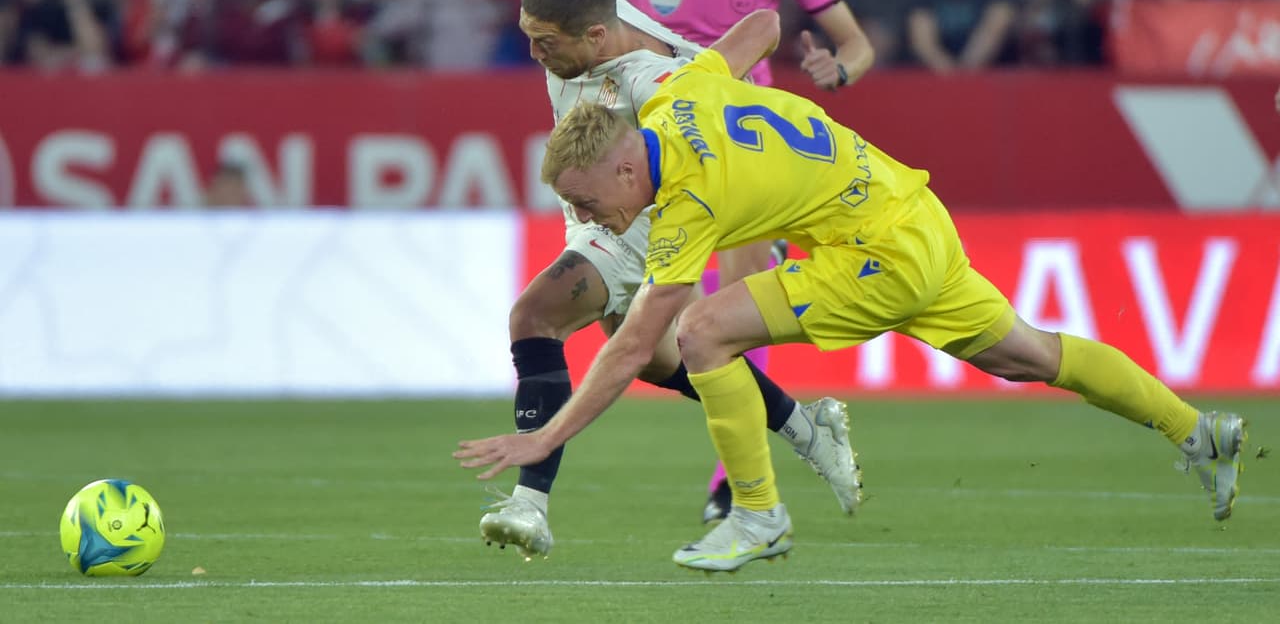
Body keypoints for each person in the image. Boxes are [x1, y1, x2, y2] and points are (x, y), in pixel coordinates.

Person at [455, 30, 1247, 573]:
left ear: (626, 171)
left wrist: (546, 438)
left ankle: (758, 516)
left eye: (588, 204)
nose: (589, 220)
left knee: (701, 332)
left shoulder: (687, 201)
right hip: (912, 214)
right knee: (1028, 353)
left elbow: (631, 349)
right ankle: (1197, 430)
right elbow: (759, 24)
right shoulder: (680, 90)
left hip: (877, 255)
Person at [413, 0, 860, 561]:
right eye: (529, 36)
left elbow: (761, 29)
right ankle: (806, 425)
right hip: (599, 197)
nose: (533, 53)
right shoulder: (577, 2)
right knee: (660, 361)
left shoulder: (654, 82)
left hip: (638, 210)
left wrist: (722, 80)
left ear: (593, 40)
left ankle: (530, 503)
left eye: (544, 44)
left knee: (534, 315)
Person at [589, 0, 877, 521]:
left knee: (738, 310)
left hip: (746, 156)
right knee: (646, 326)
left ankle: (732, 482)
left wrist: (838, 70)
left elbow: (855, 41)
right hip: (655, 150)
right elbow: (583, 2)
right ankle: (766, 440)